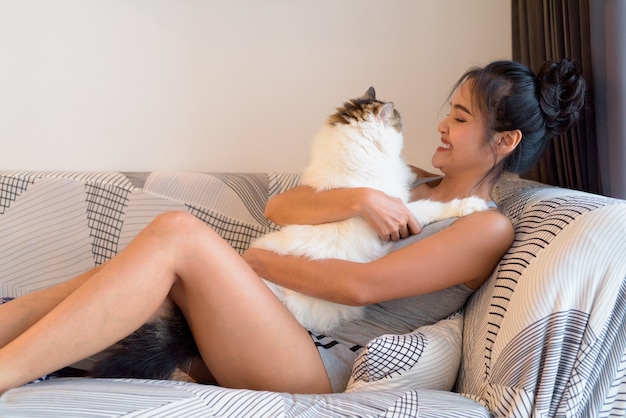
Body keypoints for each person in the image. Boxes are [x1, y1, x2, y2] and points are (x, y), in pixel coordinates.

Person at [0, 59, 585, 395]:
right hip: (274, 324)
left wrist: (252, 264)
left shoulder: (486, 230)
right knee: (139, 269)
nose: (441, 126)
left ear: (503, 142)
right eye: (447, 112)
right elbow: (283, 208)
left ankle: (8, 373)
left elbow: (360, 288)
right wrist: (359, 197)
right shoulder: (406, 183)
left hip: (314, 362)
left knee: (178, 235)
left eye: (460, 118)